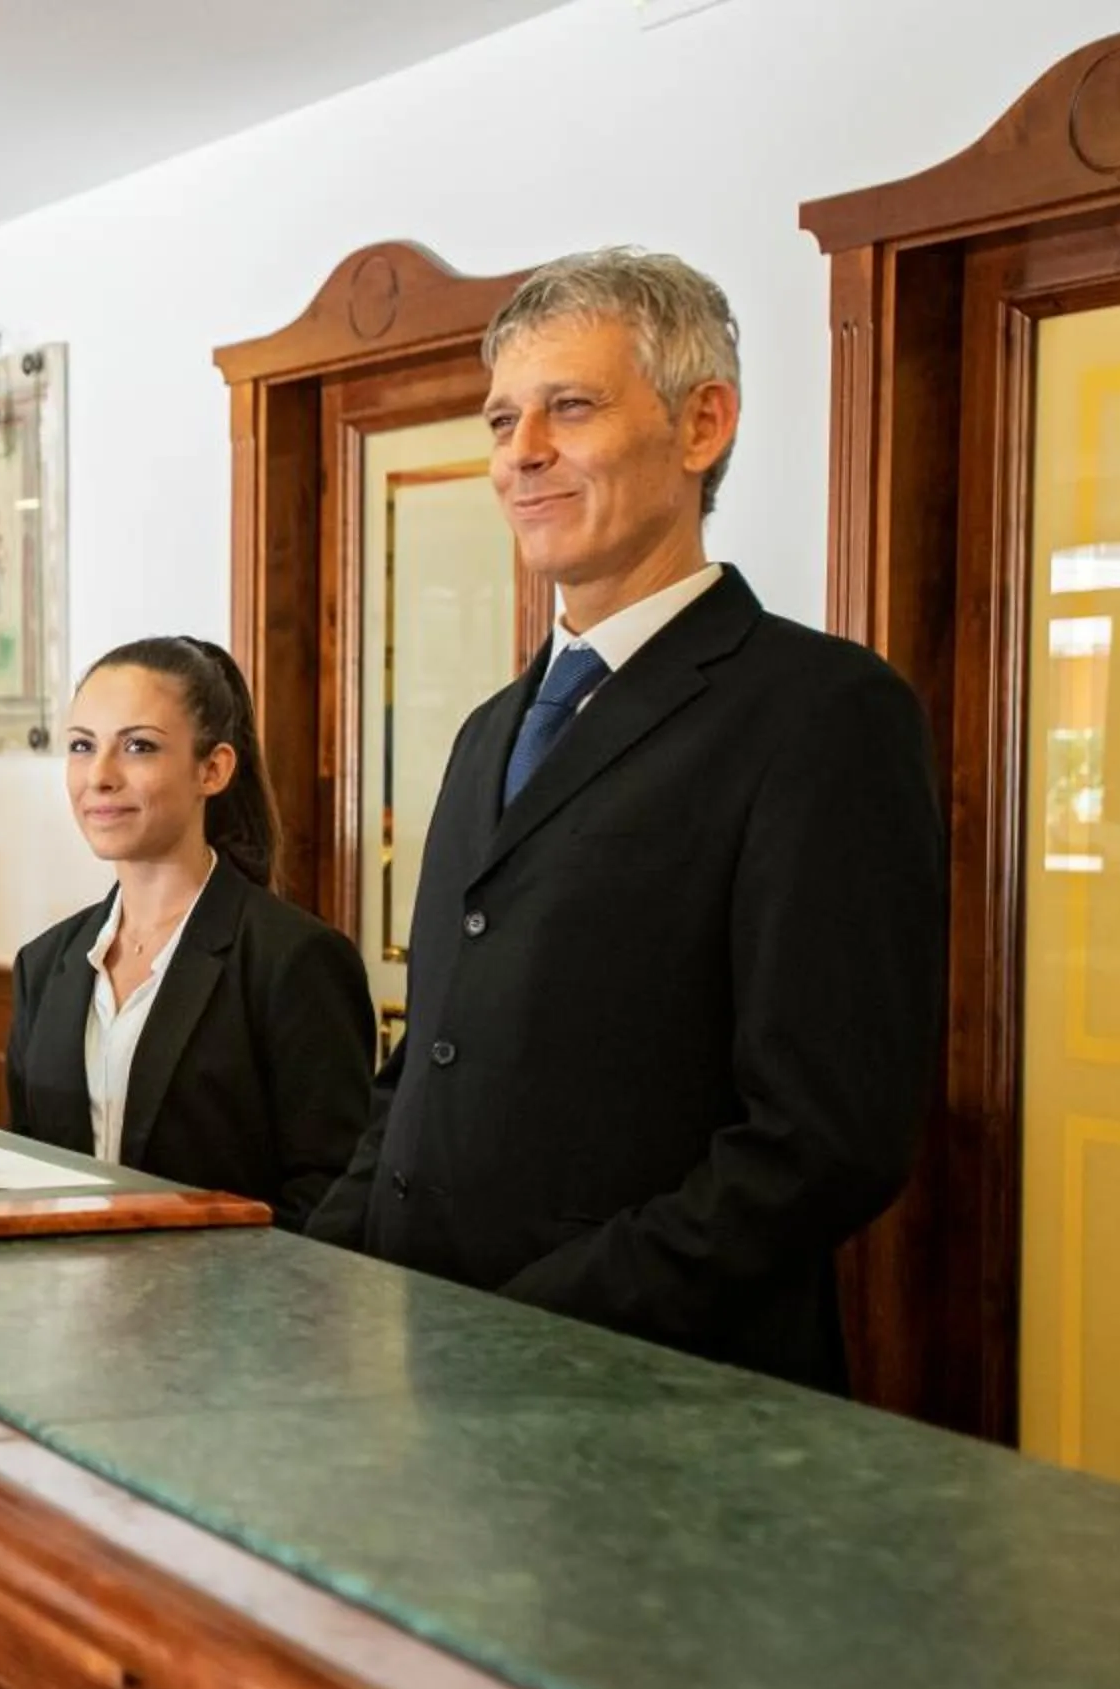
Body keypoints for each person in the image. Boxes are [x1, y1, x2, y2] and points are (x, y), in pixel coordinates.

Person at [306, 247, 945, 1393]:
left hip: (651, 1392)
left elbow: (822, 1139)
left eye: (571, 407)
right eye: (503, 419)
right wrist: (318, 1282)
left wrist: (541, 1324)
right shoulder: (490, 730)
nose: (521, 454)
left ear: (702, 425)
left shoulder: (822, 714)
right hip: (431, 1373)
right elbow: (428, 1061)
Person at [5, 637, 374, 1228]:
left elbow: (331, 1203)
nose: (99, 776)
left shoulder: (294, 961)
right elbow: (29, 1175)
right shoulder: (45, 965)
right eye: (82, 746)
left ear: (213, 769)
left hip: (231, 1312)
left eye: (138, 747)